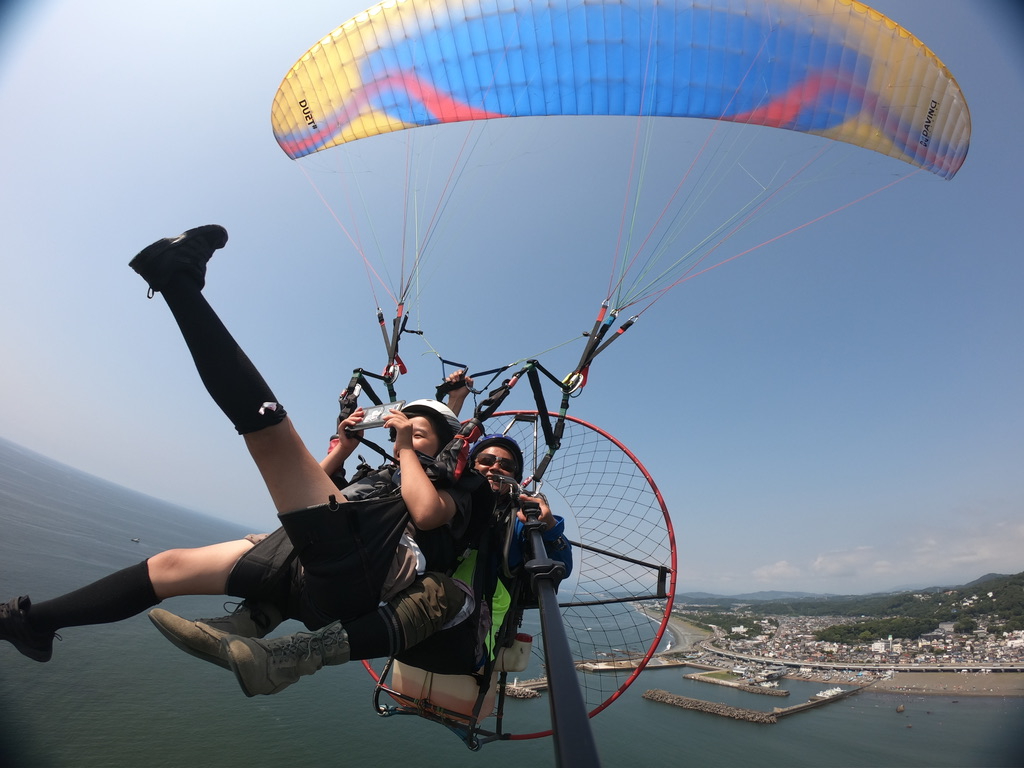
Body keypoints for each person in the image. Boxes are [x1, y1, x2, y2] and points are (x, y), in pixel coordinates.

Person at [0, 225, 479, 696]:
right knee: (169, 567)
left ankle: (177, 280)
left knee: (271, 432)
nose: (405, 431)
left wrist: (425, 426)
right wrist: (345, 448)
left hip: (367, 567)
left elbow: (430, 493)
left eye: (417, 431)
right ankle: (33, 623)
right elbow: (318, 482)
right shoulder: (386, 471)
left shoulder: (445, 479)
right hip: (309, 560)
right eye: (404, 426)